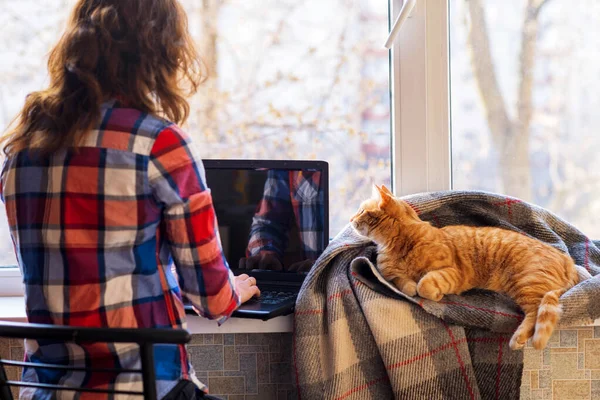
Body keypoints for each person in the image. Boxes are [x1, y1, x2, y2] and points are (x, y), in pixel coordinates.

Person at [0, 1, 259, 399]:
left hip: (44, 393)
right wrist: (237, 289)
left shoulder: (21, 149)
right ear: (158, 50)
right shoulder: (160, 144)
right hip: (141, 390)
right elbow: (212, 299)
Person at [239, 169, 326, 272]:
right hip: (311, 283)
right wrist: (264, 252)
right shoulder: (290, 159)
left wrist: (327, 268)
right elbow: (268, 224)